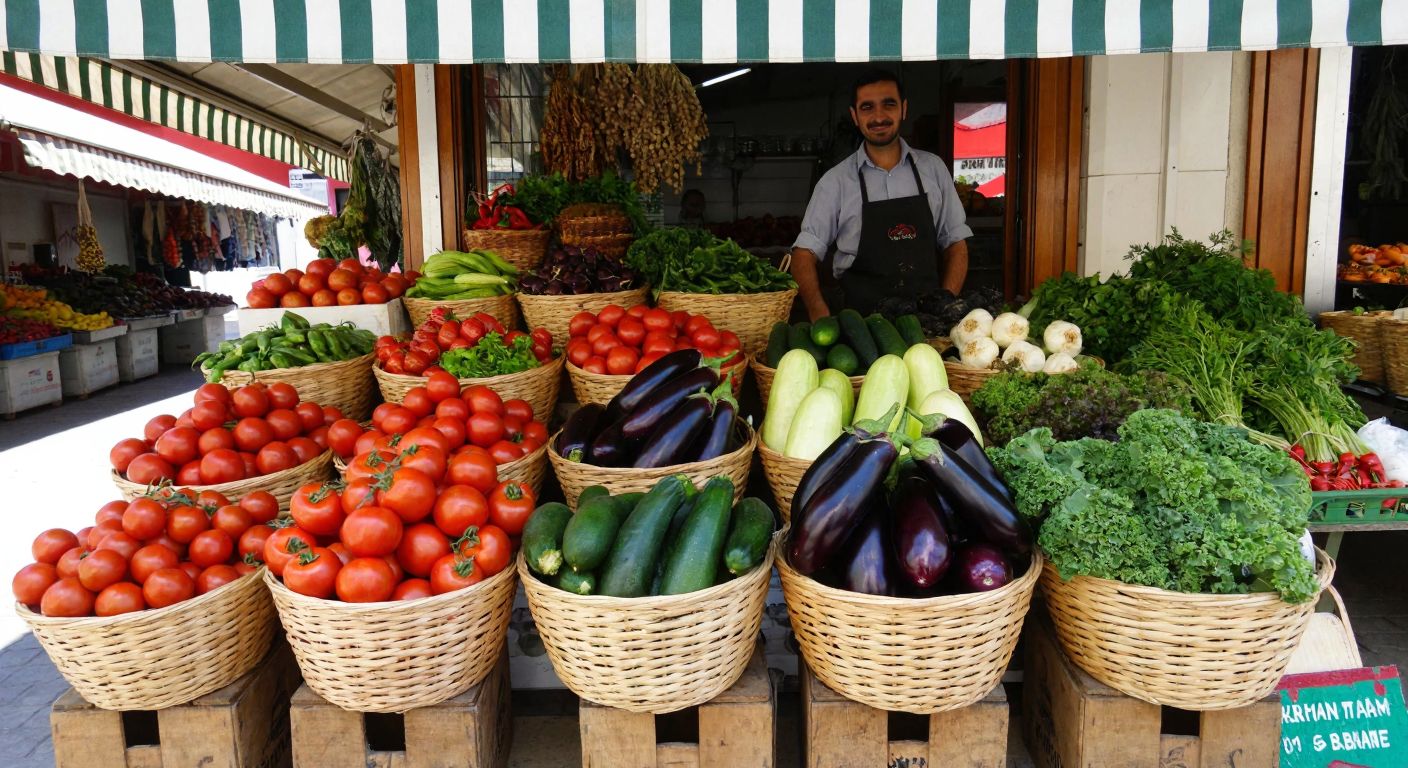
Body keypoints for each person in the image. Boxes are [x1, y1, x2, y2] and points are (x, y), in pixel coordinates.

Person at [791, 69, 972, 319]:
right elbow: (803, 254)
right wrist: (818, 311)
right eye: (867, 107)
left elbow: (955, 243)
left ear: (903, 108)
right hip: (861, 328)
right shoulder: (835, 182)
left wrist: (945, 305)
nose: (879, 116)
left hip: (927, 326)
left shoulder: (934, 170)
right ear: (854, 115)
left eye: (889, 104)